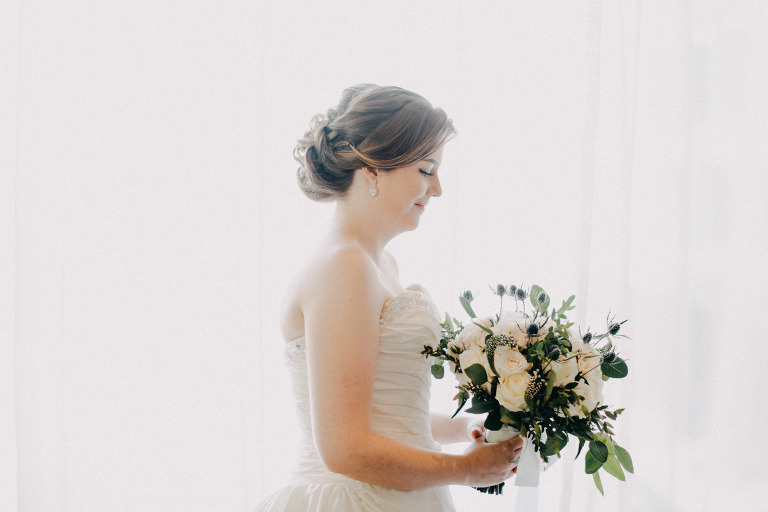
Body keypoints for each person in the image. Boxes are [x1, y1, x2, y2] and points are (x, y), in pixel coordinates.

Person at [254, 84, 523, 512]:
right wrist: (465, 471)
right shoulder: (343, 266)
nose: (437, 189)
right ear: (374, 168)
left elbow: (388, 415)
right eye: (426, 169)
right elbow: (346, 449)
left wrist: (464, 428)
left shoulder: (378, 263)